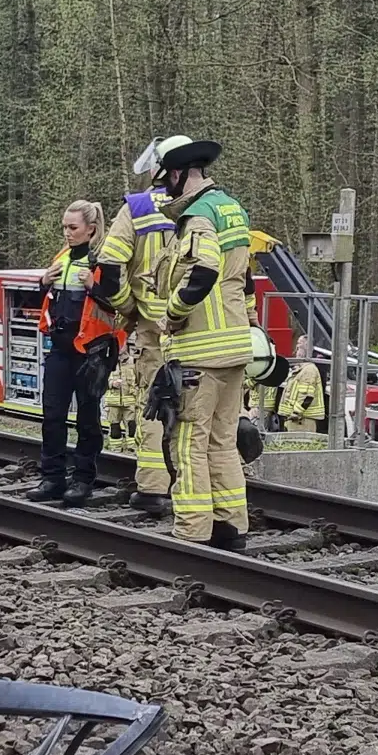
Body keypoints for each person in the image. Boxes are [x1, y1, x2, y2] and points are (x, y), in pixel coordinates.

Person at [153, 136, 256, 549]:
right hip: (233, 347)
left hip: (200, 351)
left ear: (178, 173)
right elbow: (243, 279)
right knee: (223, 440)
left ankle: (192, 532)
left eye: (166, 181)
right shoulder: (232, 208)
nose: (165, 190)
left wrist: (173, 314)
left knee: (188, 442)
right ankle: (232, 527)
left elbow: (203, 270)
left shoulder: (198, 216)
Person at [96, 143, 182, 517]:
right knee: (203, 408)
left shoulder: (138, 208)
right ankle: (201, 484)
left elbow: (109, 263)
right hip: (208, 326)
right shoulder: (218, 206)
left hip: (155, 326)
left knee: (155, 402)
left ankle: (153, 488)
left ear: (157, 170)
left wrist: (126, 306)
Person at [32, 200, 121, 506]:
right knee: (52, 416)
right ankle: (52, 478)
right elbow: (48, 298)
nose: (67, 233)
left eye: (73, 227)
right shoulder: (62, 258)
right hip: (59, 348)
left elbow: (120, 305)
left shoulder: (104, 262)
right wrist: (42, 282)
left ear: (90, 229)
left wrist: (93, 285)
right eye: (65, 228)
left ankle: (83, 479)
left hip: (91, 352)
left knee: (87, 418)